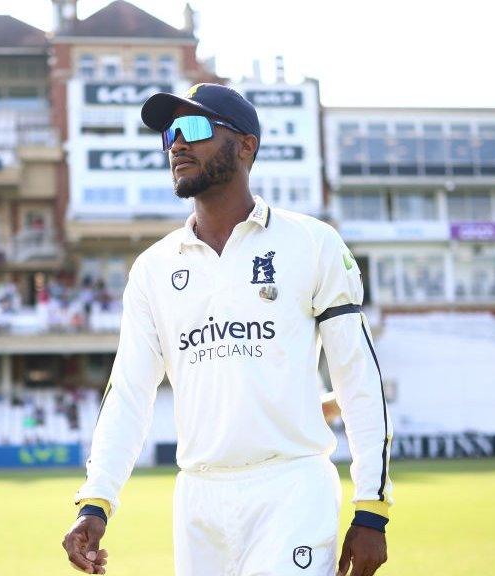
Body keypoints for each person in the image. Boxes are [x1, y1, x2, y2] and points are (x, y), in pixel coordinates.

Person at [62, 84, 391, 576]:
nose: (177, 144)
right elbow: (129, 393)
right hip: (198, 499)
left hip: (292, 488)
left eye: (194, 128)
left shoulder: (312, 242)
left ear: (245, 145)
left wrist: (371, 508)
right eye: (171, 134)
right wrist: (96, 501)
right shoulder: (152, 269)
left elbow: (357, 379)